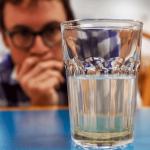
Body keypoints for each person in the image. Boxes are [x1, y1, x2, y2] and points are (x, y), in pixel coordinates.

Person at [0, 0, 74, 106]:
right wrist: (40, 105)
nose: (39, 49)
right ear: (4, 38)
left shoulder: (93, 78)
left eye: (52, 30)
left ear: (72, 33)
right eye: (23, 33)